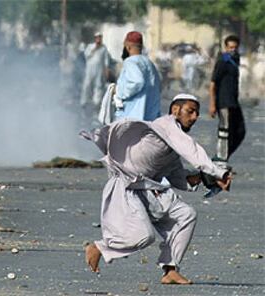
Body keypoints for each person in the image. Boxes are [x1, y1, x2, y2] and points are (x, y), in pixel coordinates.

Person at [82, 93, 232, 284]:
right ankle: (99, 248)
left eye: (196, 113)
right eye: (190, 111)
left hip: (148, 190)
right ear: (175, 110)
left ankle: (170, 269)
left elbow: (179, 178)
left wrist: (207, 178)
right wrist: (219, 172)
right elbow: (191, 149)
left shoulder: (172, 143)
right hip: (125, 187)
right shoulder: (165, 125)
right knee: (143, 236)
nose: (194, 117)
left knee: (186, 215)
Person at [209, 35, 245, 167]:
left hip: (233, 101)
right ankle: (221, 158)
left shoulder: (236, 59)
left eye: (235, 47)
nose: (233, 50)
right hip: (223, 101)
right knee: (224, 130)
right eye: (230, 47)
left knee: (240, 131)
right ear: (226, 47)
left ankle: (224, 155)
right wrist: (212, 104)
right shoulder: (222, 61)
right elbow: (213, 83)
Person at [114, 31, 161, 121]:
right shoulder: (149, 63)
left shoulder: (131, 62)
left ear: (128, 46)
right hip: (151, 117)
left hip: (133, 117)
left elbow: (137, 82)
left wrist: (118, 91)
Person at [80, 32, 110, 107]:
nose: (99, 39)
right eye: (97, 37)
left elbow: (106, 60)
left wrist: (106, 69)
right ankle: (83, 101)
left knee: (98, 85)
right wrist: (95, 48)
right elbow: (86, 55)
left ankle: (96, 101)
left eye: (100, 37)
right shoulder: (90, 46)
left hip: (99, 69)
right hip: (90, 69)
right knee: (87, 84)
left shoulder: (104, 48)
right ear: (95, 38)